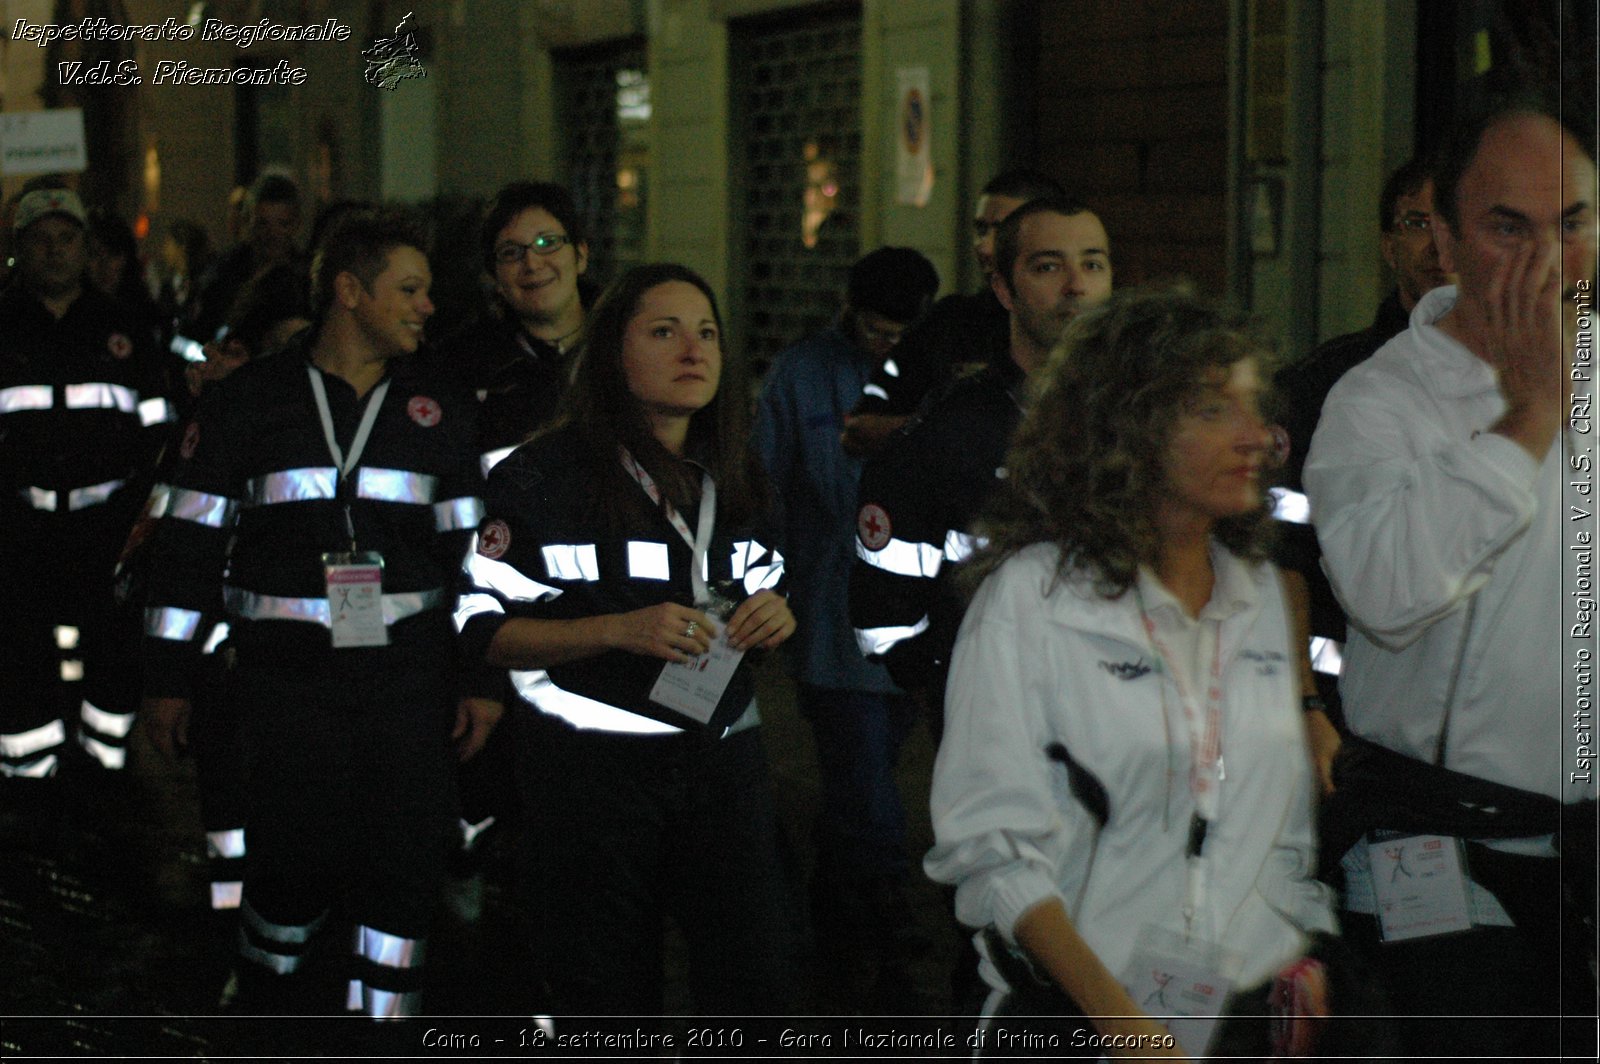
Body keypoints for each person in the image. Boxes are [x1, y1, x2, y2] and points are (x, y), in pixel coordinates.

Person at [926, 290, 1339, 1057]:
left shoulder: (1255, 591)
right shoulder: (1035, 598)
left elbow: (1270, 831)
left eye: (1255, 406)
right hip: (1076, 1018)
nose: (1259, 436)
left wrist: (1295, 962)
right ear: (1128, 429)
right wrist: (1123, 1024)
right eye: (1215, 410)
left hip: (1235, 1020)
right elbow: (991, 852)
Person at [139, 209, 491, 1019]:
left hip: (408, 685)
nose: (427, 306)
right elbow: (187, 546)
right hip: (284, 687)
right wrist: (166, 679)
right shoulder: (249, 403)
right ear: (349, 291)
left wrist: (480, 680)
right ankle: (269, 1004)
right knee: (290, 864)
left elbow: (476, 565)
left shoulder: (437, 406)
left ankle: (386, 1023)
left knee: (403, 869)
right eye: (409, 289)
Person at [1305, 98, 1598, 1058]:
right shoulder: (1378, 399)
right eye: (1509, 225)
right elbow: (1387, 592)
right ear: (1445, 236)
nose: (1548, 258)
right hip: (1439, 852)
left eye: (1574, 221)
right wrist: (1530, 416)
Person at [456, 263, 805, 1019]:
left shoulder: (738, 473)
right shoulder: (542, 476)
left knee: (756, 984)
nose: (694, 350)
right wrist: (617, 629)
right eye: (665, 331)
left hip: (722, 770)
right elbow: (479, 630)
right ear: (613, 353)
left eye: (707, 332)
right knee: (603, 995)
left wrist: (774, 616)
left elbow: (766, 584)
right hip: (591, 778)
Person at [754, 245, 939, 1007]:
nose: (886, 346)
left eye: (901, 333)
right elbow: (766, 487)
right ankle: (890, 920)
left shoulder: (944, 377)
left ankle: (831, 908)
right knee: (862, 774)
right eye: (874, 329)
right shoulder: (801, 376)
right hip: (829, 614)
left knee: (861, 779)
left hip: (918, 616)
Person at [850, 196, 1112, 721]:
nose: (1076, 285)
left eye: (1092, 263)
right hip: (994, 724)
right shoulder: (950, 431)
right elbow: (885, 605)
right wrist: (950, 684)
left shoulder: (1144, 421)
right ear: (1002, 289)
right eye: (1048, 266)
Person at [0, 187, 171, 806]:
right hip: (17, 527)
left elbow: (159, 428)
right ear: (18, 249)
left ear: (85, 246)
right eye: (40, 239)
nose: (55, 251)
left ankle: (104, 767)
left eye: (67, 238)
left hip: (107, 527)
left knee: (114, 652)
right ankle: (28, 778)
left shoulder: (124, 328)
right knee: (20, 656)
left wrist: (141, 516)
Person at [841, 169, 1065, 457]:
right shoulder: (949, 321)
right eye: (981, 229)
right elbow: (861, 430)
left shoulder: (1087, 332)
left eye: (1002, 231)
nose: (984, 246)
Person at [186, 173, 304, 345]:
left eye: (282, 224)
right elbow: (201, 334)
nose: (273, 234)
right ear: (248, 221)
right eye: (263, 223)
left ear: (296, 224)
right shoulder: (223, 273)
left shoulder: (307, 277)